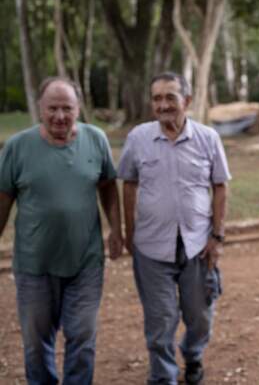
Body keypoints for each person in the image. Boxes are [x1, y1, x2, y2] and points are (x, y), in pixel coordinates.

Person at [0, 77, 122, 384]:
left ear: (78, 108)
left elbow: (108, 186)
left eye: (67, 108)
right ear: (40, 108)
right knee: (36, 342)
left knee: (82, 337)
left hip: (85, 262)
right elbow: (3, 199)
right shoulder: (17, 147)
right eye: (52, 108)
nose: (59, 116)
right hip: (34, 264)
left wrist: (116, 230)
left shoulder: (96, 140)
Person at [118, 72, 230, 385]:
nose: (163, 104)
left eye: (170, 97)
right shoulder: (138, 137)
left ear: (187, 101)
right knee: (160, 320)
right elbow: (128, 183)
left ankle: (193, 355)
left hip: (198, 246)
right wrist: (129, 233)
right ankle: (163, 376)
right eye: (157, 98)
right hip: (151, 247)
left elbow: (220, 186)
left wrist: (217, 236)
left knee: (199, 316)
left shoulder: (208, 138)